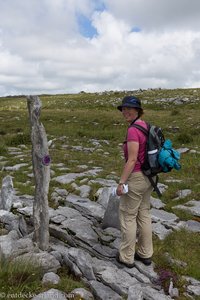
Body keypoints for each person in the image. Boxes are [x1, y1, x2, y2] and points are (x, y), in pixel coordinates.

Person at [116, 95, 153, 268]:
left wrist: (121, 182)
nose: (125, 111)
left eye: (129, 108)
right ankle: (145, 254)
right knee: (144, 214)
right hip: (149, 177)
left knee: (128, 216)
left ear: (138, 110)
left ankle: (126, 256)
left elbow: (131, 160)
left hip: (136, 176)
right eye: (123, 108)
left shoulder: (133, 130)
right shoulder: (145, 126)